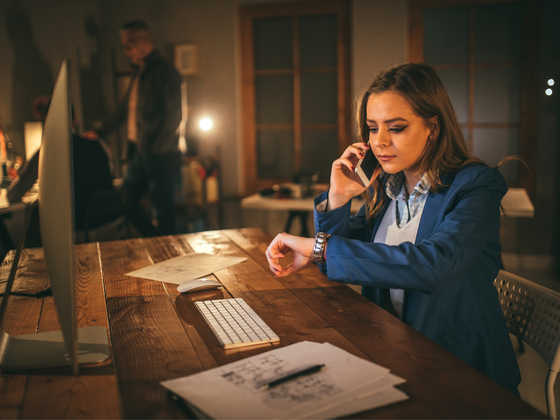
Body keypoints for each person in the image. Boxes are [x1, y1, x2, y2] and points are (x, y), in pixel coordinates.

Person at [265, 62, 521, 394]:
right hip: (396, 355)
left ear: (432, 127)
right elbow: (340, 253)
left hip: (462, 371)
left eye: (396, 128)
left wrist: (319, 249)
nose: (380, 142)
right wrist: (339, 196)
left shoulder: (477, 186)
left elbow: (432, 265)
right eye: (372, 128)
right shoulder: (386, 192)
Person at [83, 19, 182, 237]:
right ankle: (155, 243)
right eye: (124, 46)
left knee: (162, 210)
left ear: (143, 40)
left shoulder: (166, 72)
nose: (127, 51)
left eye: (128, 45)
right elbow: (124, 110)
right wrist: (100, 133)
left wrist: (157, 148)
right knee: (125, 202)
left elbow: (175, 115)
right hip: (140, 152)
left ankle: (172, 259)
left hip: (159, 154)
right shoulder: (139, 73)